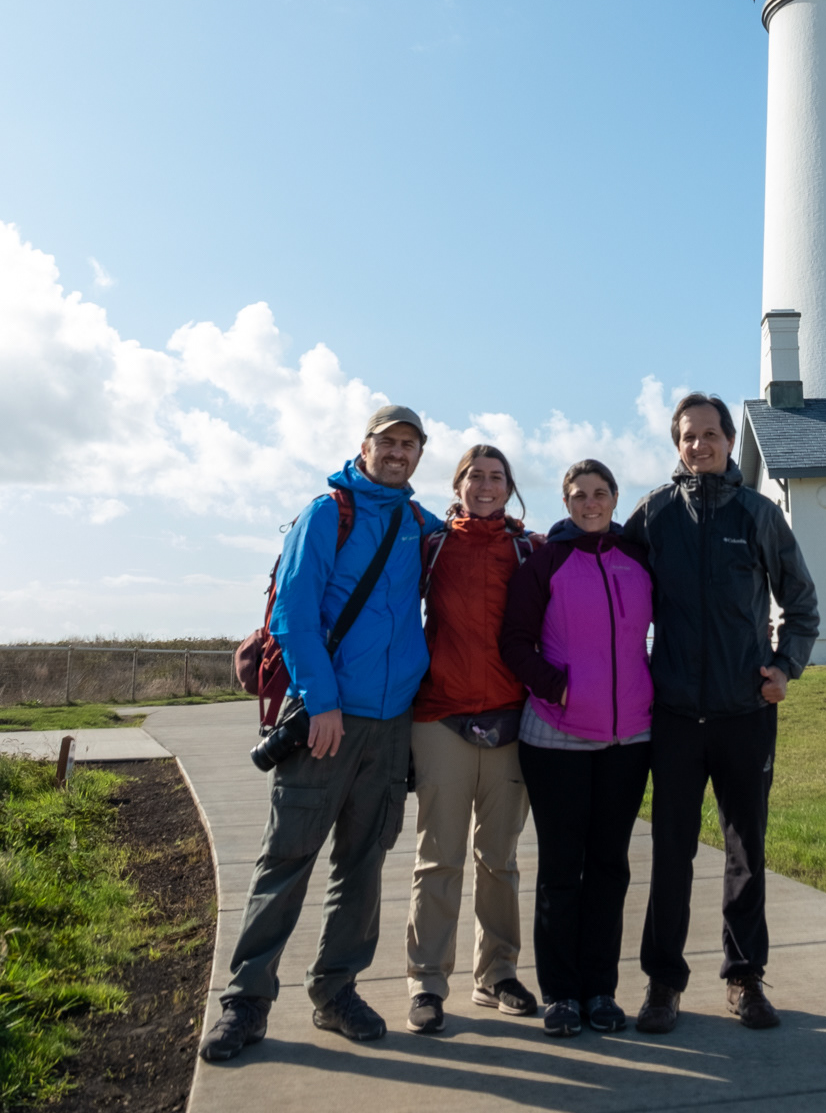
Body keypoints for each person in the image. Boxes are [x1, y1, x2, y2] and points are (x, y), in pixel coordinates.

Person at [199, 405, 442, 1063]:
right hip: (325, 720)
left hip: (390, 725)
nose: (398, 452)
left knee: (362, 866)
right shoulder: (328, 514)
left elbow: (469, 540)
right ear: (364, 447)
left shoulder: (419, 523)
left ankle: (336, 991)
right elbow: (293, 614)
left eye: (410, 444)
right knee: (287, 860)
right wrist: (322, 701)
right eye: (388, 442)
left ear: (419, 455)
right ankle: (245, 1002)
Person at [622, 392, 819, 1034]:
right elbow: (607, 580)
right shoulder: (653, 514)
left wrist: (784, 667)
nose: (699, 445)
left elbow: (801, 603)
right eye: (688, 436)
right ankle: (662, 984)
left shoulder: (759, 514)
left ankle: (744, 978)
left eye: (710, 434)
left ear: (730, 441)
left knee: (746, 853)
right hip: (675, 716)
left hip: (744, 714)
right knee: (670, 853)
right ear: (676, 445)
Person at [501, 458, 653, 1037]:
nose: (590, 503)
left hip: (629, 737)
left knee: (610, 868)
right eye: (578, 495)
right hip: (555, 737)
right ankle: (561, 994)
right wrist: (560, 688)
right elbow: (515, 642)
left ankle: (601, 991)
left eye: (599, 493)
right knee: (563, 870)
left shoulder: (638, 559)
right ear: (565, 503)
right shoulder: (546, 562)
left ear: (615, 498)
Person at [405, 443, 540, 1034]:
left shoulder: (529, 549)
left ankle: (497, 974)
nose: (486, 486)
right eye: (475, 476)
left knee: (499, 861)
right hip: (440, 717)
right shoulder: (431, 546)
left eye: (496, 477)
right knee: (439, 859)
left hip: (512, 720)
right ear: (457, 485)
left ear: (509, 487)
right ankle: (427, 982)